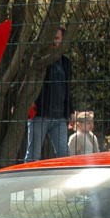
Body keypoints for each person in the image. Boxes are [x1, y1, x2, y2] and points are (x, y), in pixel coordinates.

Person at [24, 30, 72, 162]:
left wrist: (70, 111)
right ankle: (28, 176)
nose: (54, 41)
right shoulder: (38, 59)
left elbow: (67, 88)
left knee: (64, 155)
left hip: (59, 117)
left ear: (62, 40)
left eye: (57, 38)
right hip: (39, 115)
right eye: (52, 37)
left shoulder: (66, 62)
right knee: (33, 156)